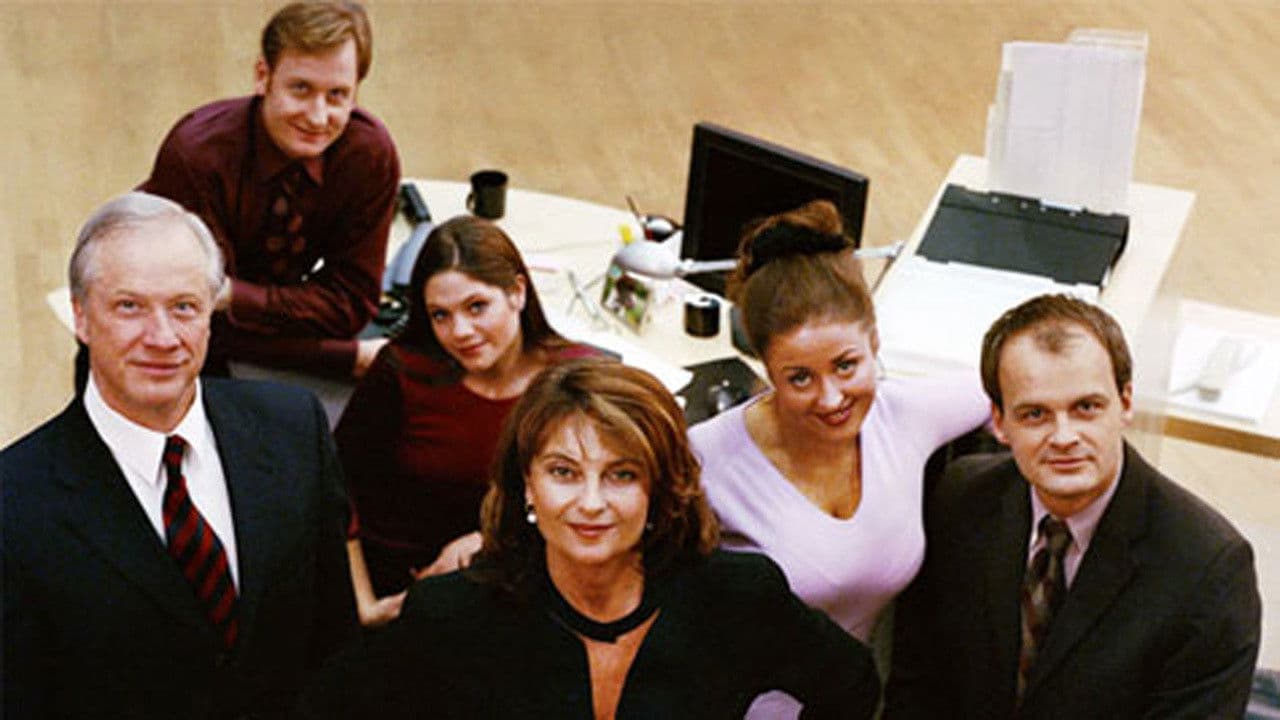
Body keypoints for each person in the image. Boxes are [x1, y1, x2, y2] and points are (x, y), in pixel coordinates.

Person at [301, 359, 881, 718]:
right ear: (527, 484)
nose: (591, 502)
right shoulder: (453, 614)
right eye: (564, 472)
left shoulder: (736, 596)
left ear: (659, 487)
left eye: (621, 474)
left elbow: (852, 685)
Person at [1, 192, 357, 718]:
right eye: (129, 306)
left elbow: (335, 644)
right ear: (81, 317)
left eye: (184, 307)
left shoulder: (294, 430)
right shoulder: (13, 503)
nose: (163, 337)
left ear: (211, 314)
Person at [883, 294, 1261, 718]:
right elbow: (918, 686)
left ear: (1126, 403)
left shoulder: (1208, 568)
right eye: (1035, 414)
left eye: (1086, 408)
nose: (1064, 437)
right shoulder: (962, 499)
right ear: (1000, 423)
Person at [686, 202, 988, 692]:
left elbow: (1013, 376)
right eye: (799, 378)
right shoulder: (702, 461)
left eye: (846, 365)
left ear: (875, 342)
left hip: (849, 699)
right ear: (765, 369)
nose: (830, 399)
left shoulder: (906, 415)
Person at [333, 215, 598, 626]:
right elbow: (334, 483)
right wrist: (365, 606)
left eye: (477, 307)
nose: (460, 331)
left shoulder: (576, 380)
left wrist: (492, 540)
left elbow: (597, 499)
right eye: (440, 315)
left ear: (517, 292)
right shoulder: (404, 371)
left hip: (520, 583)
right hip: (395, 591)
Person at [138, 0, 399, 379]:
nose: (318, 117)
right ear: (263, 77)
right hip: (167, 347)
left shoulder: (367, 155)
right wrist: (345, 357)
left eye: (337, 95)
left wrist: (235, 297)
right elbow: (197, 322)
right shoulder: (198, 155)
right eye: (301, 89)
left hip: (275, 345)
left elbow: (350, 306)